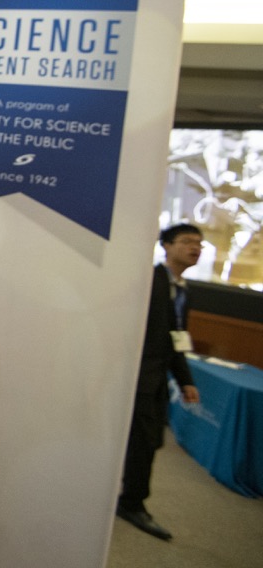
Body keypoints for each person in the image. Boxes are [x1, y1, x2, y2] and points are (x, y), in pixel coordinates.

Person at [116, 223, 202, 541]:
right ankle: (132, 502)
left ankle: (131, 500)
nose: (195, 248)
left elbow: (176, 338)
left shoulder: (182, 289)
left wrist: (186, 380)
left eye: (199, 244)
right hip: (134, 377)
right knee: (140, 441)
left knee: (147, 442)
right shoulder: (150, 281)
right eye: (187, 241)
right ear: (166, 246)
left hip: (155, 380)